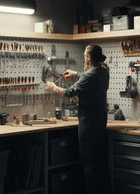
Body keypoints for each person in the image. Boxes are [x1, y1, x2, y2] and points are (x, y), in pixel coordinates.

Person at [45, 44, 110, 194]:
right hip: (100, 122)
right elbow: (89, 76)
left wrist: (54, 87)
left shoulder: (90, 75)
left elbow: (69, 92)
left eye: (85, 56)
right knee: (99, 163)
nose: (84, 58)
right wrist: (75, 73)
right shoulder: (104, 72)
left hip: (88, 125)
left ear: (89, 58)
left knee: (89, 165)